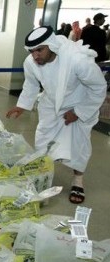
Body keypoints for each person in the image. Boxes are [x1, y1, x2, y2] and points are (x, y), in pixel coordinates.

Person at [6, 26, 106, 204]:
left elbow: (98, 87)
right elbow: (31, 85)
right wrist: (21, 105)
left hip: (79, 102)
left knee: (79, 144)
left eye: (39, 50)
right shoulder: (31, 62)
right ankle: (42, 176)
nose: (35, 56)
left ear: (51, 45)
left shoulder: (77, 60)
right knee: (43, 139)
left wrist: (78, 112)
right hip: (51, 104)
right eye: (32, 51)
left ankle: (78, 181)